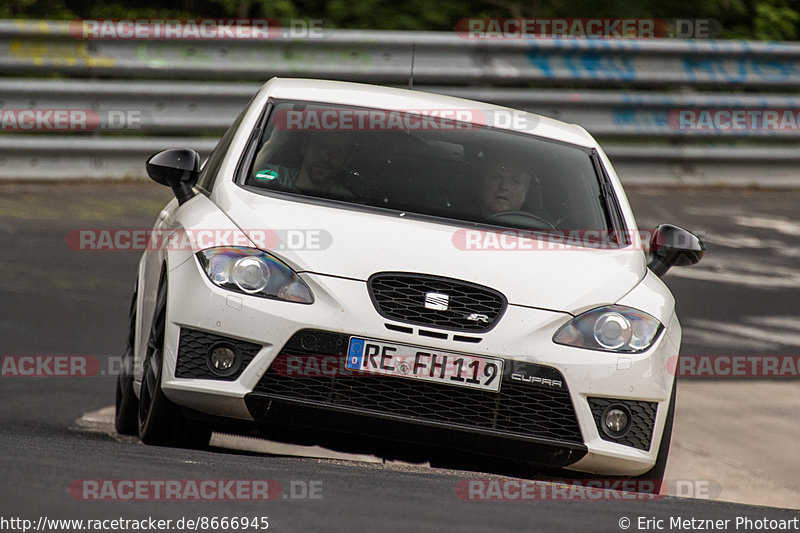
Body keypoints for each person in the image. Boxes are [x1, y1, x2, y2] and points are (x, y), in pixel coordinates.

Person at [253, 131, 354, 199]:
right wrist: (273, 143)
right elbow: (251, 175)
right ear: (304, 146)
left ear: (346, 160)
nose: (325, 157)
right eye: (319, 146)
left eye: (336, 151)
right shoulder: (279, 176)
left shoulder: (347, 200)